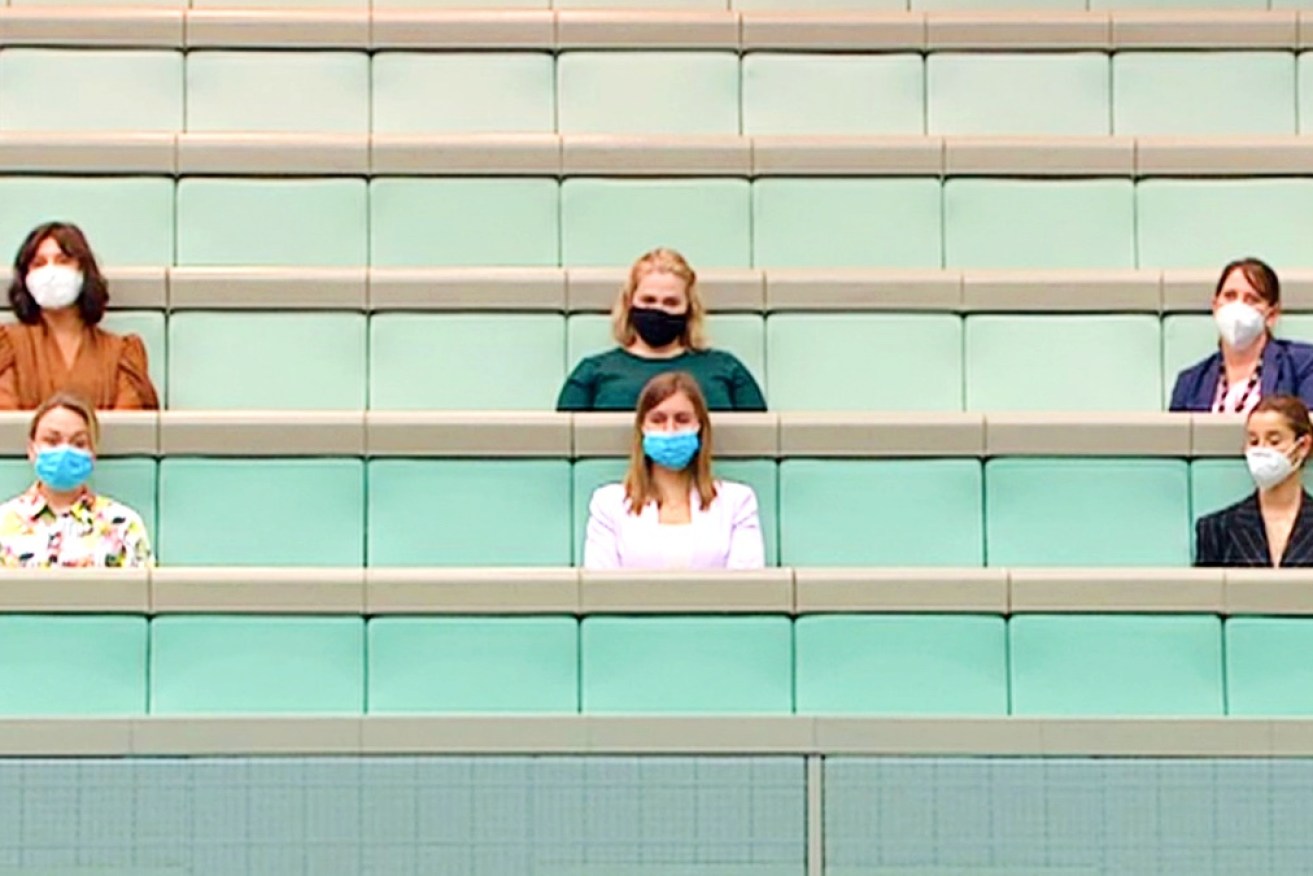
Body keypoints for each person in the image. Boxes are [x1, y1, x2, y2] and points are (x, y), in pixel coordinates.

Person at [583, 371, 764, 570]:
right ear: (642, 427)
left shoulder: (738, 502)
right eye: (658, 420)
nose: (670, 430)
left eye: (682, 419)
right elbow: (601, 591)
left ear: (699, 427)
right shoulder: (608, 504)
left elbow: (745, 588)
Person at [557, 247, 766, 411]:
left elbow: (758, 443)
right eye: (648, 300)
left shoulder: (728, 370)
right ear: (630, 303)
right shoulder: (591, 373)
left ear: (689, 309)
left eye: (671, 302)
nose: (658, 309)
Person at [0, 222, 159, 410]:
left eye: (63, 261)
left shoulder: (121, 355)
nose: (51, 273)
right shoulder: (7, 347)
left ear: (83, 271)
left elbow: (127, 427)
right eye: (39, 264)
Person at [0, 392, 152, 568]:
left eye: (78, 443)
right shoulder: (3, 523)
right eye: (51, 440)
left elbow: (143, 594)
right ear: (32, 450)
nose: (65, 450)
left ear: (93, 453)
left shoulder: (123, 525)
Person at [1170, 257, 1313, 413]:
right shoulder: (1189, 382)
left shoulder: (1303, 365)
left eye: (1252, 299)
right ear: (1215, 306)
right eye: (1230, 296)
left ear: (1271, 315)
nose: (1238, 306)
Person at [1195, 394, 1313, 567]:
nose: (1262, 450)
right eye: (1254, 441)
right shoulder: (1217, 528)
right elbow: (1203, 593)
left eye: (1274, 441)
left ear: (1302, 446)